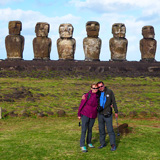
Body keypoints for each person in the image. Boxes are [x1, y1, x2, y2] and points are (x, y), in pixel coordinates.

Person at [97, 81, 118, 151]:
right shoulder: (98, 93)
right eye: (99, 87)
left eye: (101, 86)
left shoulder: (109, 91)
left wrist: (116, 111)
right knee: (101, 130)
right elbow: (91, 93)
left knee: (110, 130)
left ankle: (113, 145)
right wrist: (84, 95)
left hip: (107, 114)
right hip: (100, 114)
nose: (100, 88)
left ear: (104, 85)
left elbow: (114, 101)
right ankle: (102, 143)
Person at [78, 83, 99, 152]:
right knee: (84, 130)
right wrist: (79, 114)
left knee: (90, 129)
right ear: (91, 88)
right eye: (93, 88)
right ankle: (82, 145)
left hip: (93, 115)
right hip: (85, 114)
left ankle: (89, 142)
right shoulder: (87, 95)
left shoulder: (98, 96)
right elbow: (82, 104)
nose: (95, 89)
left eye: (96, 88)